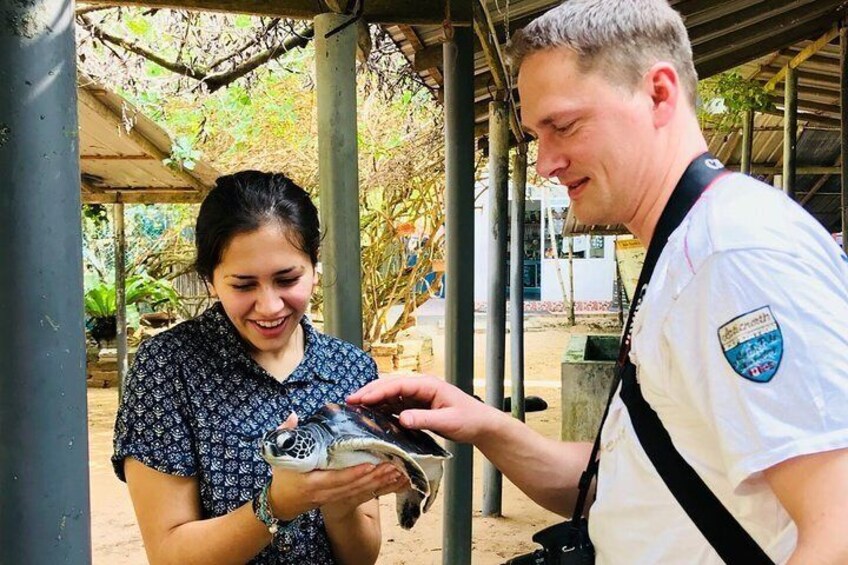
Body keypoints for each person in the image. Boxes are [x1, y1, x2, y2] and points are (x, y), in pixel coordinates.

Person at [349, 1, 848, 563]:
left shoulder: (732, 253)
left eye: (563, 126)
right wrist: (485, 425)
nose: (544, 163)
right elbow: (624, 486)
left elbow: (838, 528)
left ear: (658, 94)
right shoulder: (685, 245)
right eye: (538, 134)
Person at [113, 171, 405, 565]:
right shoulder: (167, 368)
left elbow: (360, 558)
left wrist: (338, 507)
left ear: (314, 268)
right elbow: (170, 555)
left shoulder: (351, 370)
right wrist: (276, 504)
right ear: (211, 281)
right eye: (243, 285)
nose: (269, 306)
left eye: (287, 279)